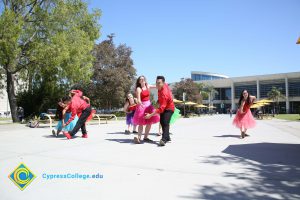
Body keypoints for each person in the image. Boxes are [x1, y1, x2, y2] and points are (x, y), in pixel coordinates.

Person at [145, 76, 175, 146]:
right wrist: (157, 102)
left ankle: (164, 139)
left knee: (165, 122)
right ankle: (167, 137)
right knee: (162, 121)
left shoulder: (165, 94)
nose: (157, 85)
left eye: (159, 83)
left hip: (169, 108)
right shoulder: (161, 87)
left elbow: (161, 109)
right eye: (156, 83)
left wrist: (150, 115)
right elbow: (160, 100)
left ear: (163, 83)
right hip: (164, 106)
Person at [132, 75, 160, 144]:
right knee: (141, 123)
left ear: (145, 80)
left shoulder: (148, 86)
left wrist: (161, 83)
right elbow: (138, 99)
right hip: (142, 106)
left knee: (149, 122)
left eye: (143, 79)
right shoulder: (139, 88)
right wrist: (140, 103)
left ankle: (146, 137)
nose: (142, 80)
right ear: (139, 81)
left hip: (149, 106)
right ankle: (138, 138)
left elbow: (157, 86)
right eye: (141, 79)